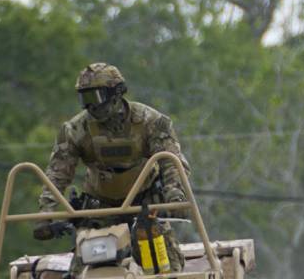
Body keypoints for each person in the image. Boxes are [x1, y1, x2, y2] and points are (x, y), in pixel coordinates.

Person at [35, 63, 191, 267]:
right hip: (99, 211)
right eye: (84, 99)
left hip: (145, 208)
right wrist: (46, 212)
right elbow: (57, 173)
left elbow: (171, 162)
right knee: (84, 273)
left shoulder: (150, 121)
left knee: (165, 270)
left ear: (116, 94)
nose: (89, 106)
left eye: (94, 97)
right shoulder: (76, 129)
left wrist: (175, 197)